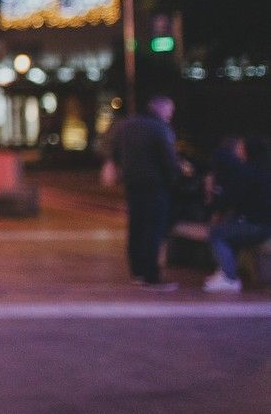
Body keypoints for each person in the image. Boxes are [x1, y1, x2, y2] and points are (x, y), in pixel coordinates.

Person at [109, 95, 188, 291]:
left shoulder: (127, 125)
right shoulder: (159, 128)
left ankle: (137, 272)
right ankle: (151, 275)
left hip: (132, 183)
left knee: (136, 227)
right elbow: (168, 159)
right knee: (154, 230)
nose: (171, 115)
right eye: (170, 110)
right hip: (155, 185)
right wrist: (178, 176)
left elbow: (115, 151)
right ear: (162, 110)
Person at [203, 136, 271, 293]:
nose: (237, 150)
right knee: (231, 229)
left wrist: (214, 205)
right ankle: (225, 272)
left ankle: (229, 277)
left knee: (217, 234)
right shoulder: (264, 171)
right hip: (264, 225)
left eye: (240, 147)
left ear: (248, 151)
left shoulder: (247, 172)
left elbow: (230, 198)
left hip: (257, 226)